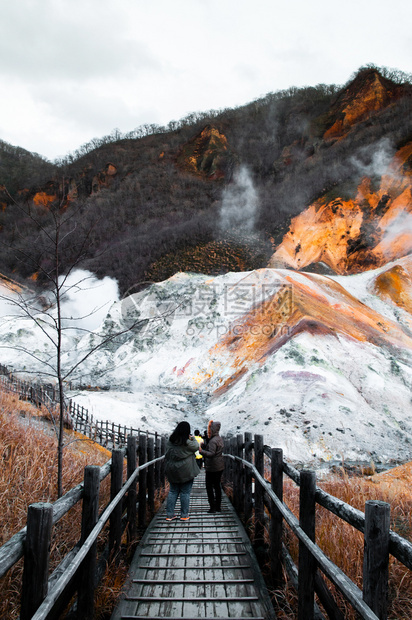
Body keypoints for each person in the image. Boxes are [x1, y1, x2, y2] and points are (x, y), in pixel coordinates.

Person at [164, 421, 200, 521]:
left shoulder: (171, 440)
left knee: (173, 491)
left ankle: (169, 515)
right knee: (185, 493)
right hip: (186, 471)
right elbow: (196, 447)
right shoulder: (187, 442)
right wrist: (192, 438)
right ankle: (184, 515)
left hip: (172, 469)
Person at [199, 420, 224, 513]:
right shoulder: (219, 438)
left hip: (212, 467)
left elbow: (211, 453)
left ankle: (212, 507)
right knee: (217, 486)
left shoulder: (213, 441)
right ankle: (218, 506)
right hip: (220, 465)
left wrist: (201, 451)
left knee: (209, 486)